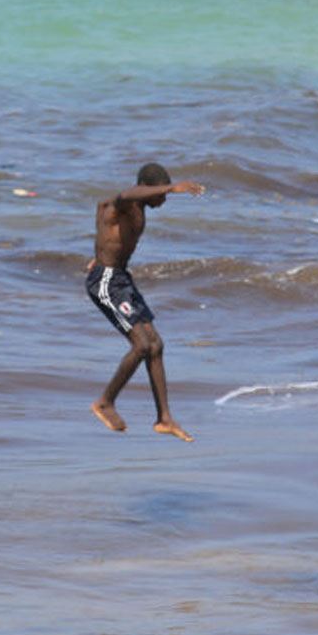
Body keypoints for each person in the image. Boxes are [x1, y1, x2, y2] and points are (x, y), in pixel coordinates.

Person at [85, 163, 205, 442]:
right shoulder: (125, 204)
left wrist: (98, 250)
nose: (164, 199)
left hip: (121, 280)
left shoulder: (137, 211)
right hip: (105, 282)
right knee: (141, 344)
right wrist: (101, 260)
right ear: (147, 189)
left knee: (155, 345)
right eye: (160, 194)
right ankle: (105, 402)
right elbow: (121, 196)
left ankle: (164, 418)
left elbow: (99, 205)